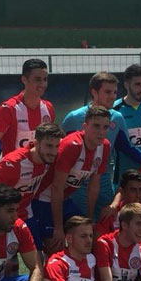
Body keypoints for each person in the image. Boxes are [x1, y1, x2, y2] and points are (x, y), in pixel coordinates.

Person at [62, 72, 141, 219]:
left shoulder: (117, 117)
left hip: (103, 180)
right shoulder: (74, 118)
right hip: (78, 183)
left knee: (106, 221)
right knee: (81, 225)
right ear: (94, 92)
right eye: (107, 92)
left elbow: (126, 147)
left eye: (115, 92)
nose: (112, 96)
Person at [0, 123, 62, 251]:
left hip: (25, 213)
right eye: (49, 146)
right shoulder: (13, 163)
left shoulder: (49, 160)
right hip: (3, 216)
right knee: (1, 263)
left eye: (57, 146)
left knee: (38, 256)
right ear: (36, 143)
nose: (53, 152)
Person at [50, 106, 111, 249]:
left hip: (63, 199)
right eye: (96, 126)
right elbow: (56, 188)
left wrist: (89, 220)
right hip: (43, 199)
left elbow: (93, 186)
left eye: (105, 127)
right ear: (85, 126)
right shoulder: (72, 145)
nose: (101, 132)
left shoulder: (104, 146)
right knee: (55, 244)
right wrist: (58, 227)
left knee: (86, 234)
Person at [0, 58, 54, 157]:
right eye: (37, 80)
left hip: (40, 171)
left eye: (45, 79)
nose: (43, 84)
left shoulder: (48, 108)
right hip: (13, 170)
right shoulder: (9, 109)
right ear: (24, 80)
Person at [95, 170, 141, 238]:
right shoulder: (111, 213)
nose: (138, 195)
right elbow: (98, 241)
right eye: (133, 190)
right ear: (122, 192)